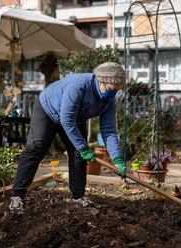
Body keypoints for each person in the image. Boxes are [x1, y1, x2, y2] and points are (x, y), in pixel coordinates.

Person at [9, 62, 126, 212]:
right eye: (111, 89)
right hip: (48, 109)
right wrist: (83, 147)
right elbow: (66, 120)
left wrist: (117, 158)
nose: (113, 93)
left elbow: (109, 130)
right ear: (101, 81)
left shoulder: (109, 100)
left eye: (117, 90)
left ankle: (78, 196)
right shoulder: (80, 85)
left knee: (78, 155)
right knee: (36, 147)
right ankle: (17, 196)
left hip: (74, 118)